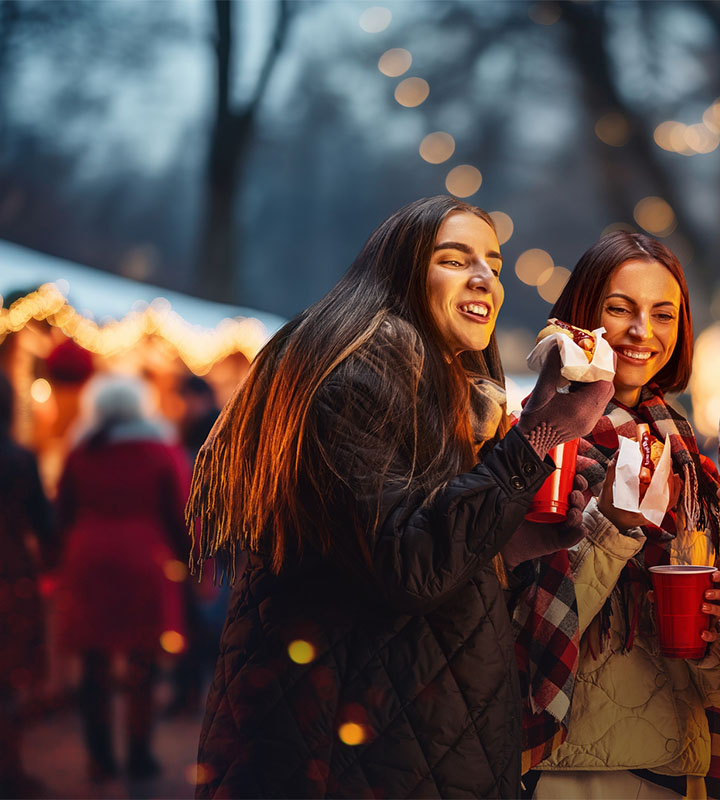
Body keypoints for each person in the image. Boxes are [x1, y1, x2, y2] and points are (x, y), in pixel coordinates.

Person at [191, 196, 613, 798]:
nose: (485, 279)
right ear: (401, 272)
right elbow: (411, 565)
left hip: (404, 733)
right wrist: (538, 436)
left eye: (493, 263)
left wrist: (513, 540)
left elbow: (412, 545)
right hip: (356, 749)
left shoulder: (442, 395)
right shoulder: (359, 377)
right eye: (454, 259)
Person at [514, 231, 720, 800]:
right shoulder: (538, 440)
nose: (643, 332)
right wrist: (612, 526)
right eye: (620, 309)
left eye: (663, 314)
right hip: (585, 770)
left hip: (689, 761)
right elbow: (522, 626)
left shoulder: (688, 457)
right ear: (581, 318)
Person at [53, 373, 190, 783]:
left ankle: (99, 755)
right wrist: (190, 562)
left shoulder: (80, 449)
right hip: (143, 560)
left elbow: (62, 508)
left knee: (93, 662)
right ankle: (139, 751)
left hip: (88, 558)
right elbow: (179, 512)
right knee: (142, 662)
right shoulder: (161, 449)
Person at [0, 372, 56, 797]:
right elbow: (44, 522)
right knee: (10, 676)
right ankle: (10, 768)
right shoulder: (20, 458)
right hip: (10, 575)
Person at [165, 375, 223, 717]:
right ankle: (191, 691)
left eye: (185, 398)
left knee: (202, 614)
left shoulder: (210, 429)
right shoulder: (193, 429)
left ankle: (194, 692)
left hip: (207, 533)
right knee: (197, 615)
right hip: (201, 532)